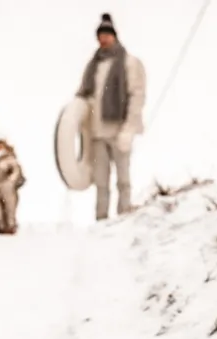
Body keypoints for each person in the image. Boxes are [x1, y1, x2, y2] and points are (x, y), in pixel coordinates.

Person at [77, 13, 147, 220]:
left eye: (107, 34)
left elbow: (137, 95)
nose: (104, 39)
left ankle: (123, 217)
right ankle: (101, 220)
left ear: (114, 36)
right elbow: (84, 94)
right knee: (101, 181)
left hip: (118, 129)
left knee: (123, 179)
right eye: (100, 35)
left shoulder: (128, 62)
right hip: (97, 132)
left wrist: (129, 128)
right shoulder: (93, 66)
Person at [0, 138, 26, 234]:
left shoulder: (10, 159)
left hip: (7, 188)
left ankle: (10, 224)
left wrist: (10, 182)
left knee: (9, 206)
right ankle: (1, 225)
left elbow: (16, 172)